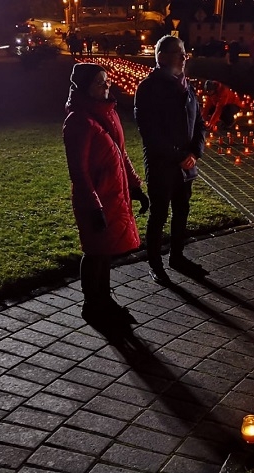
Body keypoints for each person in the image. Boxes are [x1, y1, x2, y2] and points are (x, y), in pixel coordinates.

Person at [63, 63, 149, 324]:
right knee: (95, 252)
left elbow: (121, 154)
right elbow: (79, 171)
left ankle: (104, 298)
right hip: (96, 198)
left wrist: (135, 187)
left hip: (114, 194)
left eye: (107, 81)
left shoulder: (107, 114)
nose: (107, 86)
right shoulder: (78, 121)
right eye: (100, 82)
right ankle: (92, 304)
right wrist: (94, 206)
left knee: (106, 251)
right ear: (85, 87)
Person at [134, 35, 208, 285]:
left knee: (182, 211)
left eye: (185, 52)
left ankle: (177, 256)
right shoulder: (148, 89)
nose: (184, 57)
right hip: (161, 165)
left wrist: (195, 152)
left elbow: (199, 123)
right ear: (162, 57)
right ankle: (155, 263)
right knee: (159, 214)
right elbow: (150, 133)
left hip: (185, 165)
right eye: (179, 53)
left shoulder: (187, 87)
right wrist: (179, 156)